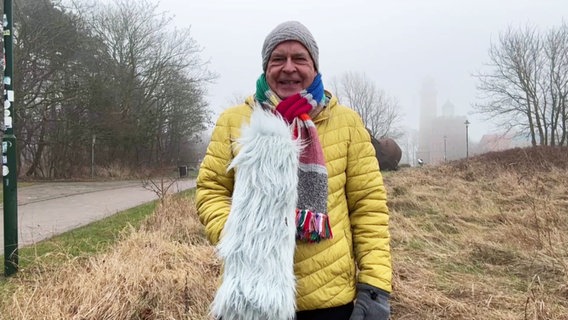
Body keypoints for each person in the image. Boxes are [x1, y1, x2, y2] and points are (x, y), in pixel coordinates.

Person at [196, 20, 392, 320]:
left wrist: (375, 288)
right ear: (266, 67)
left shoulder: (347, 124)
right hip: (250, 296)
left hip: (328, 302)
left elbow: (369, 209)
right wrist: (241, 234)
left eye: (299, 58)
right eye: (278, 59)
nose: (289, 68)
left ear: (314, 66)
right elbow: (211, 190)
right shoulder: (234, 121)